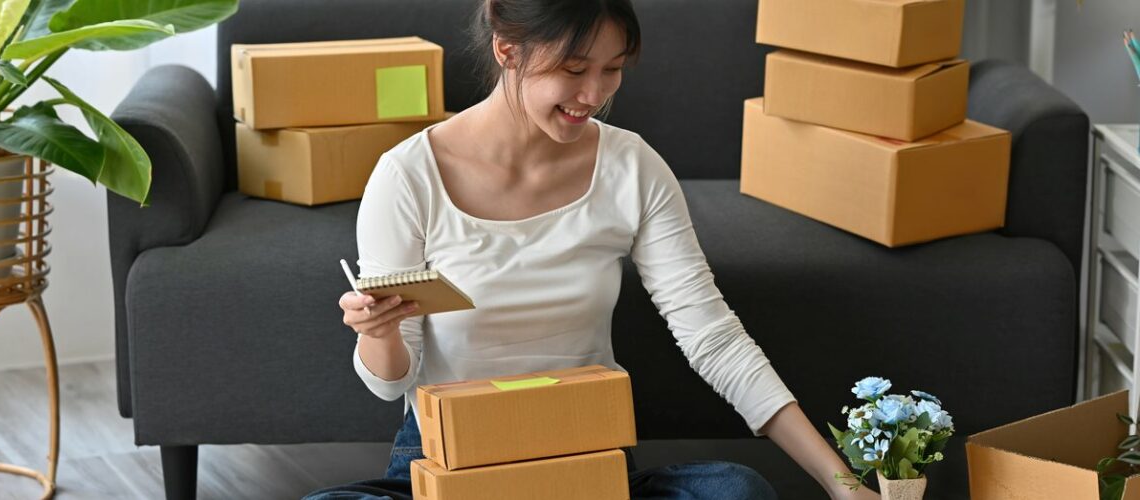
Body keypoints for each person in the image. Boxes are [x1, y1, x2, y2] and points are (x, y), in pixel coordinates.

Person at [305, 0, 880, 498]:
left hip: (583, 446)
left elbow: (712, 336)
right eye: (573, 69)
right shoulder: (408, 176)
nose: (593, 95)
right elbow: (388, 383)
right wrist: (379, 332)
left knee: (737, 490)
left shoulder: (632, 166)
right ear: (508, 51)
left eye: (613, 70)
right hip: (450, 454)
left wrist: (843, 484)